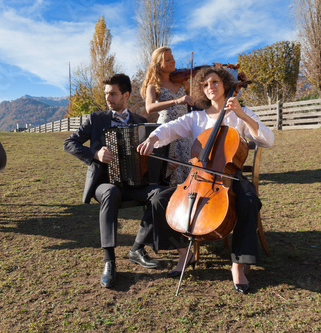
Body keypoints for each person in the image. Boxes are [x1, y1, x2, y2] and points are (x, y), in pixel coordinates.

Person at [137, 66, 275, 294]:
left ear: (226, 85)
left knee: (249, 201)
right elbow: (170, 129)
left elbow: (268, 140)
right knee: (159, 200)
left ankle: (238, 264)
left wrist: (241, 116)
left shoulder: (242, 112)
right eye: (205, 85)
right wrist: (153, 138)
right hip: (198, 178)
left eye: (215, 82)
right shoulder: (196, 117)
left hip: (230, 177)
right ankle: (184, 254)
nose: (210, 87)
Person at [63, 73, 166, 289]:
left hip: (135, 183)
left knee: (161, 193)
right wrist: (95, 154)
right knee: (110, 192)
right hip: (104, 184)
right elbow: (69, 143)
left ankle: (137, 248)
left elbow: (153, 153)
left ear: (125, 95)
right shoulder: (96, 119)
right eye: (106, 94)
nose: (108, 98)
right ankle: (109, 261)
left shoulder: (141, 122)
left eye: (113, 93)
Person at [140, 46, 194, 186]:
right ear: (158, 65)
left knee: (189, 169)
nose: (173, 61)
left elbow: (197, 98)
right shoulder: (154, 85)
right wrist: (176, 101)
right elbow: (149, 107)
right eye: (168, 59)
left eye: (172, 57)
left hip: (185, 131)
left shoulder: (183, 82)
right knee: (171, 171)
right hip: (166, 131)